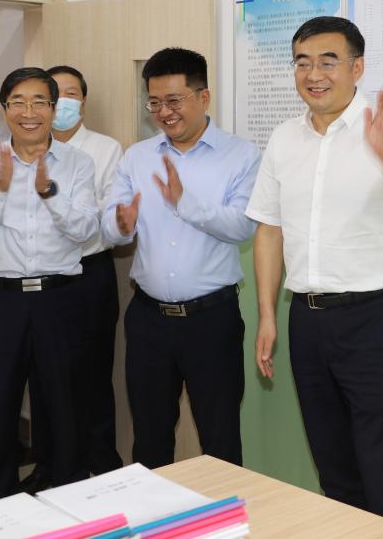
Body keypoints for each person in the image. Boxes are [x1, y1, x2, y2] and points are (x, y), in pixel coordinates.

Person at [246, 16, 383, 527]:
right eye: (303, 62)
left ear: (357, 68)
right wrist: (267, 314)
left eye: (328, 62)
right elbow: (269, 229)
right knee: (333, 466)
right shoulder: (284, 139)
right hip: (307, 318)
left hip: (374, 316)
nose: (314, 74)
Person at [102, 48, 260, 469]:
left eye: (174, 100)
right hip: (148, 319)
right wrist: (120, 224)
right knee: (150, 437)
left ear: (203, 97)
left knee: (220, 437)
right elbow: (111, 225)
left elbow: (242, 226)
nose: (164, 112)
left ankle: (224, 513)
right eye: (154, 103)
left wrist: (184, 202)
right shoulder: (137, 156)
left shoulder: (241, 156)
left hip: (212, 320)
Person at [0, 67, 99, 502]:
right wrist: (1, 190)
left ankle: (71, 499)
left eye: (40, 102)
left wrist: (49, 192)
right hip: (0, 300)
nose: (29, 112)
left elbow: (86, 229)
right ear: (4, 109)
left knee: (65, 404)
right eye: (18, 102)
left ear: (54, 110)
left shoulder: (78, 163)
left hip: (60, 297)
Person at [20, 66, 123, 493]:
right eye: (54, 94)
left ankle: (100, 459)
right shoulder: (26, 149)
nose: (62, 102)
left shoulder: (105, 149)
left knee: (94, 371)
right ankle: (50, 463)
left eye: (71, 94)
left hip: (89, 273)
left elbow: (104, 215)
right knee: (44, 375)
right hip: (43, 277)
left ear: (83, 101)